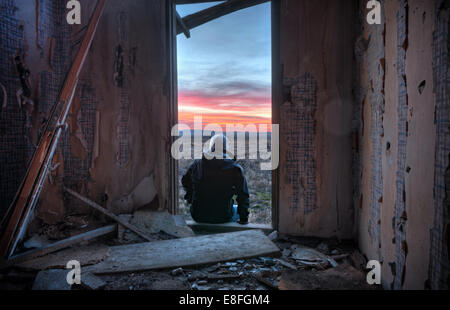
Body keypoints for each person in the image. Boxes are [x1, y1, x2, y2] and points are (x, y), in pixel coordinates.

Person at [181, 134, 250, 224]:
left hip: (198, 215)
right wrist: (244, 219)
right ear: (226, 148)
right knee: (236, 209)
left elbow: (185, 181)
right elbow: (243, 195)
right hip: (223, 216)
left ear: (211, 146)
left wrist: (191, 198)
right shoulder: (235, 168)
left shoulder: (197, 164)